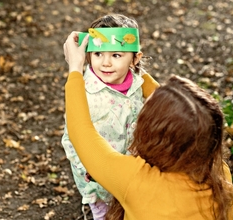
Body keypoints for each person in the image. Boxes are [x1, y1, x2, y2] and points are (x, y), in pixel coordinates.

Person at [63, 31, 233, 219]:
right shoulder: (219, 172)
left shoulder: (135, 180)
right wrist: (130, 64)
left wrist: (75, 68)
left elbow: (81, 133)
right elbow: (180, 112)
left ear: (159, 138)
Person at [61, 14, 159, 219]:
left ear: (135, 58)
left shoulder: (138, 84)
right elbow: (71, 138)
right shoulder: (84, 93)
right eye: (98, 54)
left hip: (133, 173)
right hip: (99, 182)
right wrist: (88, 170)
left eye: (116, 55)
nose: (105, 63)